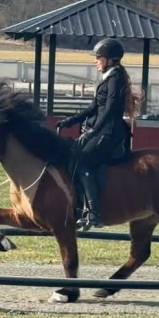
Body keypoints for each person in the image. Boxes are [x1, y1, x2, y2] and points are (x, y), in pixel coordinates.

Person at [56, 38, 141, 230]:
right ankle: (82, 206)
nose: (96, 61)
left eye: (98, 58)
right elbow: (94, 107)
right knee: (73, 156)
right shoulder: (108, 78)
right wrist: (71, 120)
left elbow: (110, 109)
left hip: (110, 133)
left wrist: (93, 131)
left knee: (83, 159)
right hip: (102, 129)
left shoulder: (116, 78)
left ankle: (94, 212)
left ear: (110, 60)